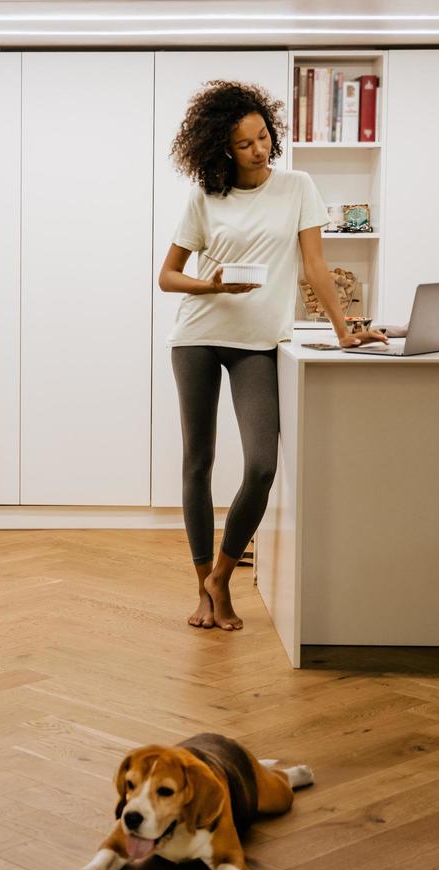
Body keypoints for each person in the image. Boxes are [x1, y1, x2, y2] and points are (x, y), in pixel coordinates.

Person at [158, 80, 387, 632]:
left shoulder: (298, 186)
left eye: (263, 136)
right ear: (222, 149)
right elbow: (167, 277)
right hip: (198, 336)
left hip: (258, 343)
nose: (260, 149)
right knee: (199, 462)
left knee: (261, 464)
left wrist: (342, 329)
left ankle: (223, 574)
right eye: (244, 144)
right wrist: (211, 288)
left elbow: (314, 265)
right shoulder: (204, 197)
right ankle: (203, 591)